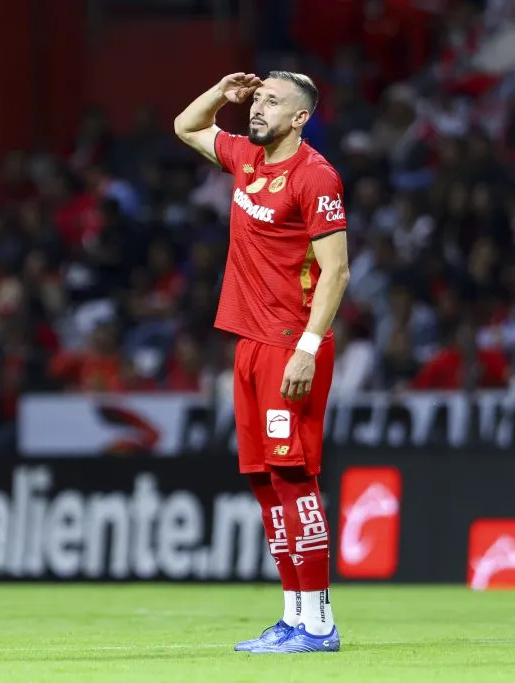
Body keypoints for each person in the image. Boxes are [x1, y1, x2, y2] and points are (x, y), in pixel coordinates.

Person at [174, 71, 350, 654]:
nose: (257, 108)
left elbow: (337, 271)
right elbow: (186, 127)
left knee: (295, 478)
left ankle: (318, 623)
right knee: (264, 481)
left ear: (300, 118)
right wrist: (220, 93)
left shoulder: (315, 175)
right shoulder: (247, 158)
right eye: (257, 98)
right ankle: (293, 616)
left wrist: (308, 347)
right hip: (248, 342)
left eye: (272, 102)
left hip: (289, 344)